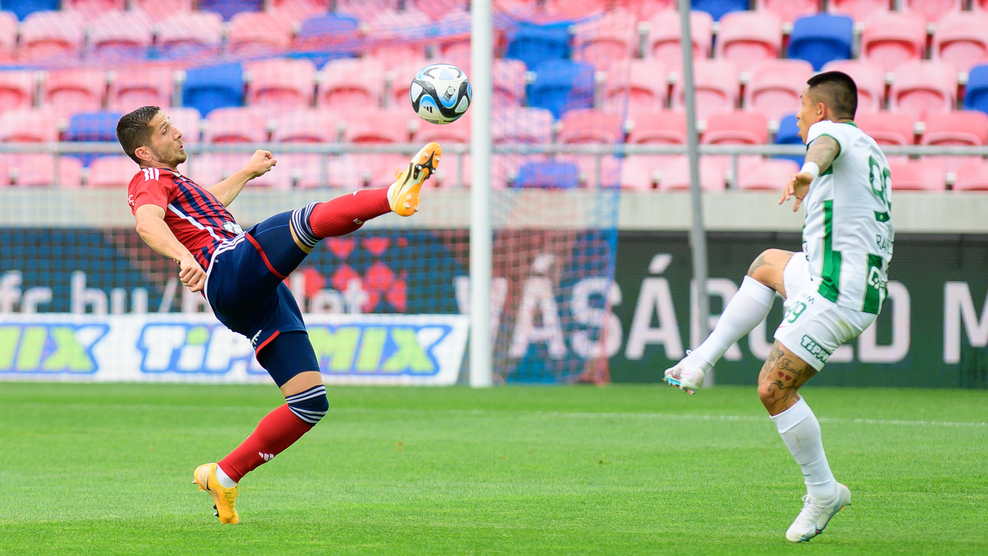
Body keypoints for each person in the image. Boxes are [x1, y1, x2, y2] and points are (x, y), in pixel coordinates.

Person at [116, 105, 441, 524]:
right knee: (304, 221)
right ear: (144, 152)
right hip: (227, 267)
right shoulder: (148, 178)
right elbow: (147, 223)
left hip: (246, 297)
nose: (177, 132)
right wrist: (183, 257)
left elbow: (208, 206)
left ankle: (223, 475)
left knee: (309, 403)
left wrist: (246, 173)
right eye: (165, 130)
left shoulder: (176, 184)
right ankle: (391, 196)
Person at [663, 71, 894, 543]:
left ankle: (823, 492)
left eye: (802, 104)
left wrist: (807, 172)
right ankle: (699, 361)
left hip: (839, 292)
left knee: (773, 388)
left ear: (821, 109)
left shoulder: (831, 135)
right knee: (767, 264)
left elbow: (823, 145)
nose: (797, 113)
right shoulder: (871, 148)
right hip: (832, 274)